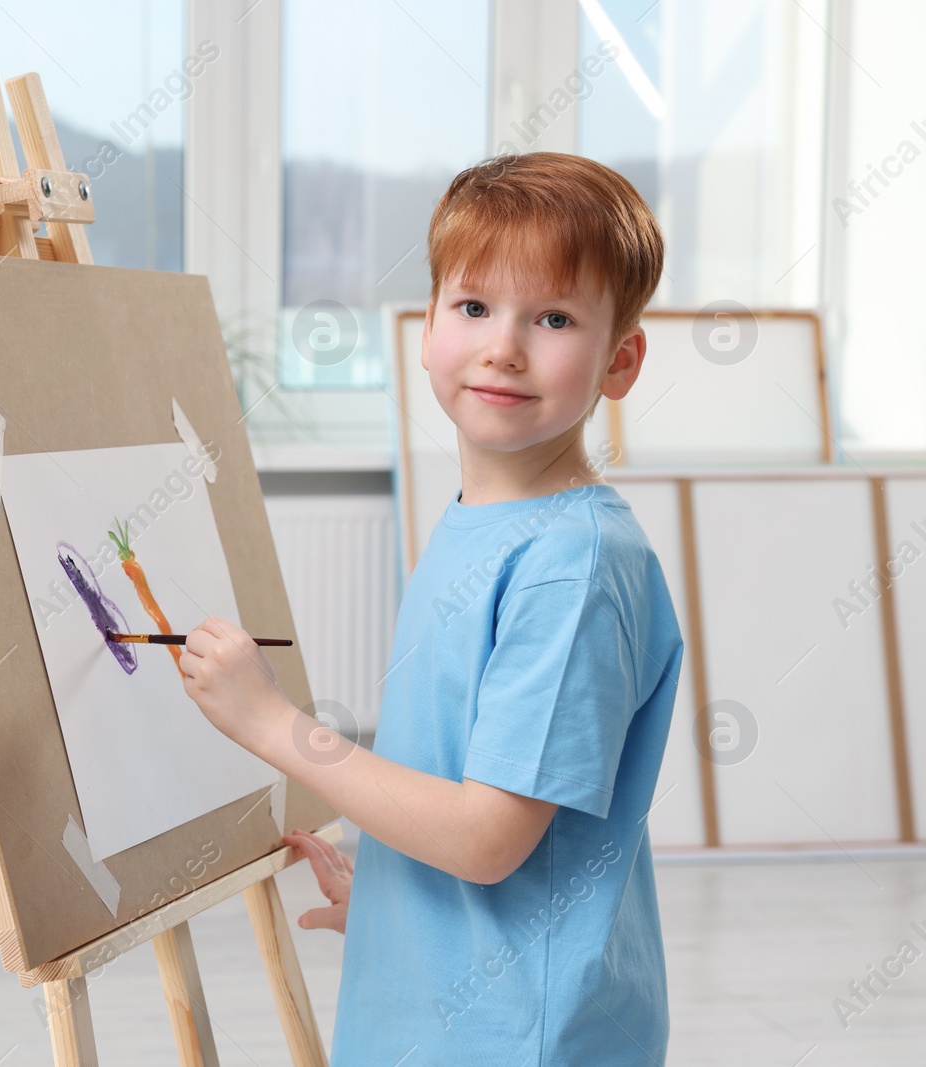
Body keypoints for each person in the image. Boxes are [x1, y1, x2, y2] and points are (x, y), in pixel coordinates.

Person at [178, 152, 684, 1064]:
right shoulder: (481, 520)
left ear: (621, 360)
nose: (504, 346)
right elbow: (482, 786)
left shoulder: (571, 564)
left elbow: (490, 839)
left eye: (556, 317)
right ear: (427, 325)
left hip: (510, 1036)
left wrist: (274, 725)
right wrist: (400, 898)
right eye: (476, 306)